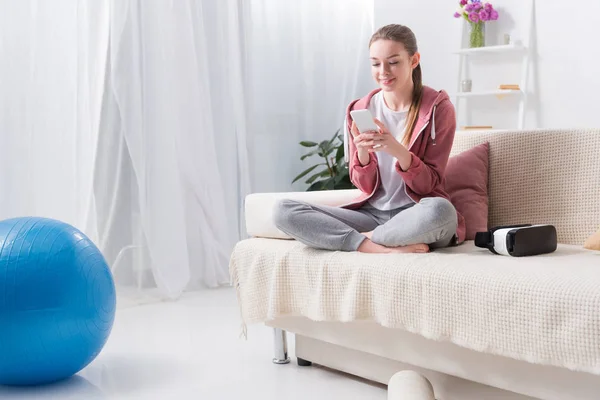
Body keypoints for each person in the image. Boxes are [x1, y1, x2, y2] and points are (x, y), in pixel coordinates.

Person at [274, 24, 466, 254]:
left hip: (416, 214)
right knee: (283, 210)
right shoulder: (360, 108)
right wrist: (363, 154)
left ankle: (365, 240)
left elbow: (428, 185)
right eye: (376, 63)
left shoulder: (438, 109)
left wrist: (397, 150)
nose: (383, 71)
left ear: (414, 60)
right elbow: (363, 186)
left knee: (441, 211)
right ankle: (378, 247)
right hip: (372, 214)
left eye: (393, 62)